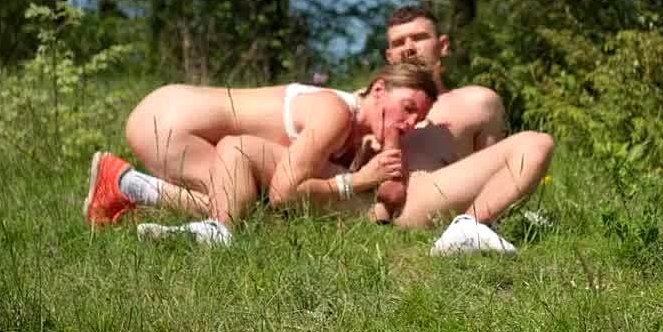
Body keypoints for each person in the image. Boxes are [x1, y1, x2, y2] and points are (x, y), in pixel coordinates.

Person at [83, 62, 438, 245]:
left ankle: (123, 183)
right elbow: (286, 192)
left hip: (167, 110)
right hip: (172, 124)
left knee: (247, 197)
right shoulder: (335, 113)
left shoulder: (348, 124)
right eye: (407, 107)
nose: (409, 123)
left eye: (417, 119)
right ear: (378, 90)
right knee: (254, 209)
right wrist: (356, 181)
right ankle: (204, 227)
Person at [372, 5, 555, 255]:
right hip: (376, 207)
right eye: (398, 43)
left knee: (536, 144)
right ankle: (469, 229)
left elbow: (498, 172)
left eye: (419, 37)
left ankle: (470, 226)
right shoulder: (369, 101)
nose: (409, 48)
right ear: (389, 56)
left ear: (443, 45)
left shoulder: (475, 101)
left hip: (434, 198)